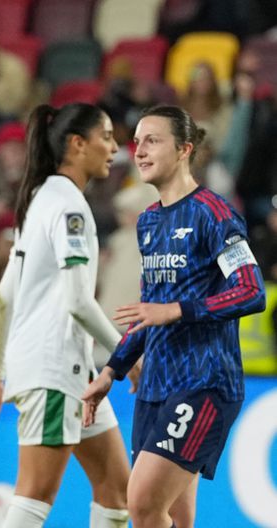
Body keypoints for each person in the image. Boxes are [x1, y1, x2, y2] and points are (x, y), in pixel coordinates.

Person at [82, 105, 267, 528]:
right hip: (155, 388)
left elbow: (251, 290)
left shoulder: (215, 215)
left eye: (152, 140)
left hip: (204, 383)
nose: (139, 150)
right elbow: (150, 310)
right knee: (174, 519)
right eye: (137, 142)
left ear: (184, 149)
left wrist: (179, 309)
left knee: (143, 504)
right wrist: (111, 370)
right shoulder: (148, 222)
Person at [0, 103, 133, 528]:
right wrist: (129, 353)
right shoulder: (71, 209)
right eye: (107, 136)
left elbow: (6, 293)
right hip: (55, 368)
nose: (115, 147)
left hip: (64, 371)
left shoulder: (41, 198)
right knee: (34, 496)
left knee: (117, 491)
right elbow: (79, 301)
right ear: (77, 144)